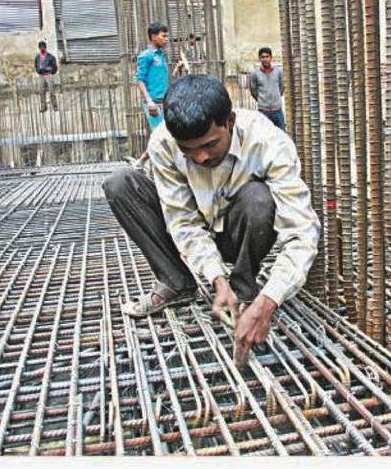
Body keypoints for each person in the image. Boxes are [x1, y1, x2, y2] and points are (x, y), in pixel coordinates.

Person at [103, 74, 320, 362]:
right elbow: (182, 220)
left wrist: (269, 302)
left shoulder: (268, 142)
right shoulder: (164, 143)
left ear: (230, 121)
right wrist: (217, 279)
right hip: (197, 228)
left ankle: (244, 289)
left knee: (259, 198)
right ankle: (177, 281)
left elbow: (302, 233)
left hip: (238, 232)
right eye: (188, 150)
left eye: (210, 144)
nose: (201, 158)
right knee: (120, 185)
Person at [136, 21, 184, 130]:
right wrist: (149, 101)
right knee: (160, 134)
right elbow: (140, 80)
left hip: (166, 102)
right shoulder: (145, 56)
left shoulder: (161, 55)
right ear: (154, 37)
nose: (166, 39)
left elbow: (165, 79)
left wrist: (177, 69)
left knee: (169, 133)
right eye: (163, 36)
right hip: (155, 103)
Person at [248, 47, 286, 131]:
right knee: (264, 134)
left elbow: (282, 86)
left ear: (271, 57)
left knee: (282, 134)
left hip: (277, 110)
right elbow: (253, 90)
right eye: (263, 57)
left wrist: (276, 97)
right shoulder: (255, 73)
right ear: (259, 58)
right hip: (263, 111)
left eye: (267, 56)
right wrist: (261, 100)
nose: (265, 59)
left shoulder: (278, 71)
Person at [34, 40, 58, 113]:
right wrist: (39, 70)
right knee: (41, 92)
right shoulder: (37, 57)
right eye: (40, 47)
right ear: (39, 48)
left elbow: (55, 67)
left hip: (48, 75)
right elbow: (36, 66)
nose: (42, 48)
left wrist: (49, 70)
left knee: (51, 91)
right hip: (41, 75)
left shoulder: (50, 56)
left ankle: (55, 106)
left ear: (45, 47)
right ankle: (43, 107)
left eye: (43, 47)